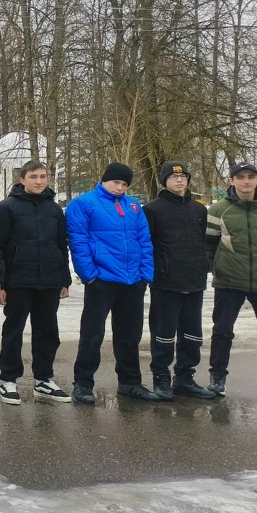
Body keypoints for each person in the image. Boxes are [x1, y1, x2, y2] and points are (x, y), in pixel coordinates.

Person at [67, 162, 158, 404]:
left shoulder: (134, 206)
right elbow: (79, 242)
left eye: (125, 184)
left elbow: (144, 242)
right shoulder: (83, 204)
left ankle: (130, 382)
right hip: (102, 280)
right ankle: (83, 383)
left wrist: (145, 275)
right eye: (116, 182)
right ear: (104, 179)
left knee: (130, 334)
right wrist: (90, 276)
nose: (119, 187)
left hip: (132, 280)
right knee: (92, 334)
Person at [0, 161, 73, 405]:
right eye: (34, 176)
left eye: (43, 176)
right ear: (22, 179)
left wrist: (64, 279)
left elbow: (61, 246)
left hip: (49, 281)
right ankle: (8, 380)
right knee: (14, 331)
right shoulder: (6, 208)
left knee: (48, 332)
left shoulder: (54, 209)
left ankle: (43, 380)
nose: (39, 181)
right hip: (18, 281)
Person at [143, 161, 216, 400]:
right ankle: (161, 378)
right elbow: (147, 245)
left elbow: (203, 243)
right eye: (174, 177)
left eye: (183, 176)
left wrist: (204, 266)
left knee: (192, 334)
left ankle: (185, 377)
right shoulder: (152, 209)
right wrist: (156, 270)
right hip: (166, 282)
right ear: (165, 181)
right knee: (164, 333)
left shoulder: (199, 209)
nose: (179, 180)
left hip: (194, 281)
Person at [205, 161, 257, 396]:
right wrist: (218, 268)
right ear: (232, 181)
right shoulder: (218, 210)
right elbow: (208, 246)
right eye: (240, 177)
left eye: (250, 176)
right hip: (229, 282)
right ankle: (217, 376)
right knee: (222, 331)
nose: (246, 181)